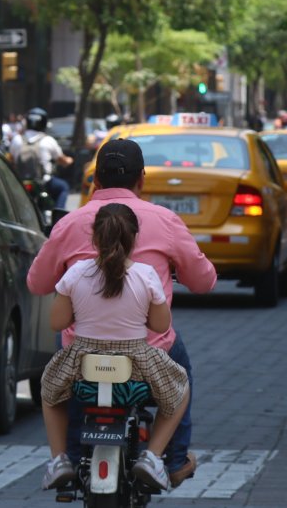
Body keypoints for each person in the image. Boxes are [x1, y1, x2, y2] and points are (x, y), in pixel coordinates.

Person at [28, 138, 217, 489]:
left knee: (56, 381)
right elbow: (203, 283)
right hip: (145, 352)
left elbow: (37, 284)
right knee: (181, 376)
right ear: (141, 179)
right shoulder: (164, 222)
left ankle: (65, 458)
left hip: (82, 353)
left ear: (95, 181)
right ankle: (171, 460)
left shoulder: (70, 224)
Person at [39, 203, 191, 491]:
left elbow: (57, 322)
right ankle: (153, 456)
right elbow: (161, 326)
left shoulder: (76, 274)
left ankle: (59, 460)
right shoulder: (146, 275)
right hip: (135, 368)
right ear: (135, 238)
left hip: (82, 368)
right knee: (180, 388)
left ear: (94, 239)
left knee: (50, 392)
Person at [10, 108, 73, 209]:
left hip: (20, 182)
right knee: (63, 187)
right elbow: (62, 160)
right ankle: (58, 217)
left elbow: (11, 160)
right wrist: (69, 160)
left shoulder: (16, 139)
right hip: (44, 183)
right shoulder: (48, 140)